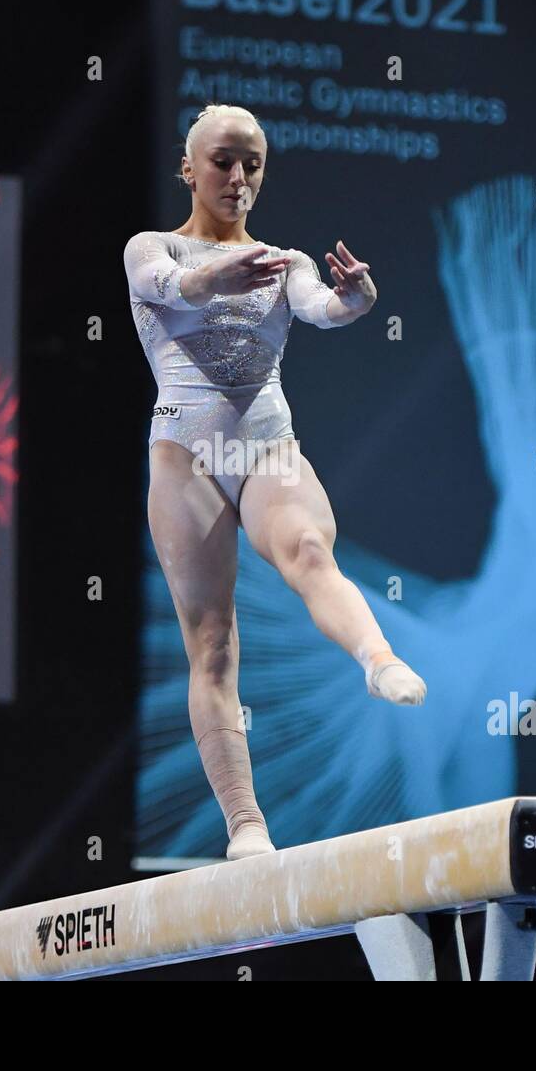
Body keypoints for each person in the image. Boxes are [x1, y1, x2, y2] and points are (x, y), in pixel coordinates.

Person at [123, 103, 427, 860]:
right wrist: (214, 273)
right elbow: (172, 286)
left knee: (308, 552)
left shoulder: (282, 263)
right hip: (184, 456)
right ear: (189, 169)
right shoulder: (150, 247)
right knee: (214, 644)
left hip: (266, 444)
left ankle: (377, 658)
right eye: (224, 161)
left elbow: (322, 308)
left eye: (253, 163)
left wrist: (355, 300)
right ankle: (245, 824)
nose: (239, 177)